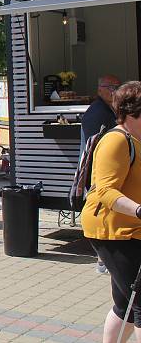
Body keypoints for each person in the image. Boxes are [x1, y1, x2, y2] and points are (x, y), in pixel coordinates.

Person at [82, 81, 141, 342]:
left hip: (130, 230)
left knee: (125, 306)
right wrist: (138, 210)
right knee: (139, 303)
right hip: (113, 232)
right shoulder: (116, 141)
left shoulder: (136, 140)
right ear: (132, 113)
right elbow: (105, 191)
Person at [80, 75, 122, 275]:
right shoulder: (97, 113)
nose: (116, 91)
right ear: (101, 89)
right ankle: (103, 260)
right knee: (103, 214)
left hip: (105, 176)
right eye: (113, 87)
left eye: (118, 87)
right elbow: (94, 148)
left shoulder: (109, 110)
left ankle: (105, 260)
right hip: (98, 177)